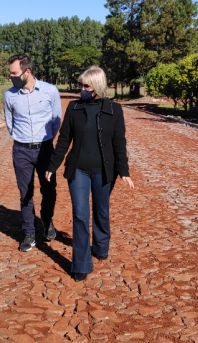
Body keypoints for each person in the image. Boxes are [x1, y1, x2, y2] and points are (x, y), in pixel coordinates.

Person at [46, 66, 134, 281]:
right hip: (78, 171)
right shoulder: (74, 109)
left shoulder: (114, 110)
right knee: (80, 215)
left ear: (97, 87)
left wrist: (124, 171)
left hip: (105, 171)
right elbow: (64, 139)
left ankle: (101, 247)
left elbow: (119, 143)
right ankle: (81, 264)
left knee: (101, 211)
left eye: (86, 86)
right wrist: (53, 165)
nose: (81, 89)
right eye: (81, 85)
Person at [4, 54, 62, 252]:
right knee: (25, 193)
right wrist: (23, 138)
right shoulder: (9, 95)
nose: (10, 76)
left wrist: (48, 140)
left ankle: (47, 221)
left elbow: (56, 119)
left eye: (14, 73)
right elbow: (10, 123)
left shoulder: (50, 91)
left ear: (27, 72)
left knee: (49, 189)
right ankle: (29, 232)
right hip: (21, 150)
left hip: (45, 149)